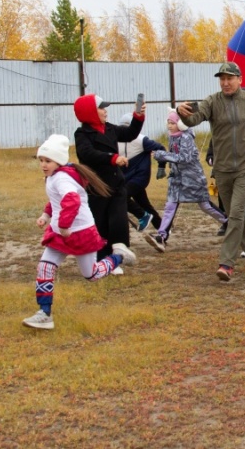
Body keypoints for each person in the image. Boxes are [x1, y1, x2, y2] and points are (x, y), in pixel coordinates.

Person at [177, 61, 245, 281]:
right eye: (222, 79)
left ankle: (227, 263)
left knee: (235, 214)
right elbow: (194, 119)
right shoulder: (212, 101)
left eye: (229, 78)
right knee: (233, 215)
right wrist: (182, 113)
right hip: (222, 169)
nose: (225, 83)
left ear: (239, 79)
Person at [23, 135, 137, 330]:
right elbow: (56, 200)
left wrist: (65, 225)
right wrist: (46, 215)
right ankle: (44, 313)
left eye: (48, 161)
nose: (43, 164)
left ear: (58, 161)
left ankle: (118, 257)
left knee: (91, 275)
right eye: (41, 160)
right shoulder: (53, 177)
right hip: (61, 233)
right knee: (45, 267)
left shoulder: (61, 178)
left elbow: (72, 200)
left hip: (80, 233)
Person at [73, 93, 144, 266]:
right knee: (100, 223)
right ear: (90, 112)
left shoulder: (110, 128)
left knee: (119, 220)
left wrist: (138, 116)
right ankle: (103, 259)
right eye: (101, 108)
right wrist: (112, 158)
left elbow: (130, 134)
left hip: (117, 183)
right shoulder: (82, 133)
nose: (105, 111)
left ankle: (118, 256)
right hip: (97, 186)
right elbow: (87, 154)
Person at [151, 110, 228, 249]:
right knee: (170, 206)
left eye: (172, 123)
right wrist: (164, 164)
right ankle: (162, 235)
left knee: (205, 205)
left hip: (192, 178)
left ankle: (228, 223)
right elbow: (172, 156)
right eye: (168, 122)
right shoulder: (172, 137)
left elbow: (184, 158)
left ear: (180, 124)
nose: (169, 126)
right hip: (177, 178)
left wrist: (161, 155)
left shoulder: (186, 137)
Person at [116, 113, 166, 248]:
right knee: (144, 204)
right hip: (125, 179)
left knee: (121, 197)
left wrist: (161, 167)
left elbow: (161, 148)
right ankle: (164, 230)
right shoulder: (115, 140)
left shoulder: (141, 140)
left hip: (140, 177)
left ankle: (142, 216)